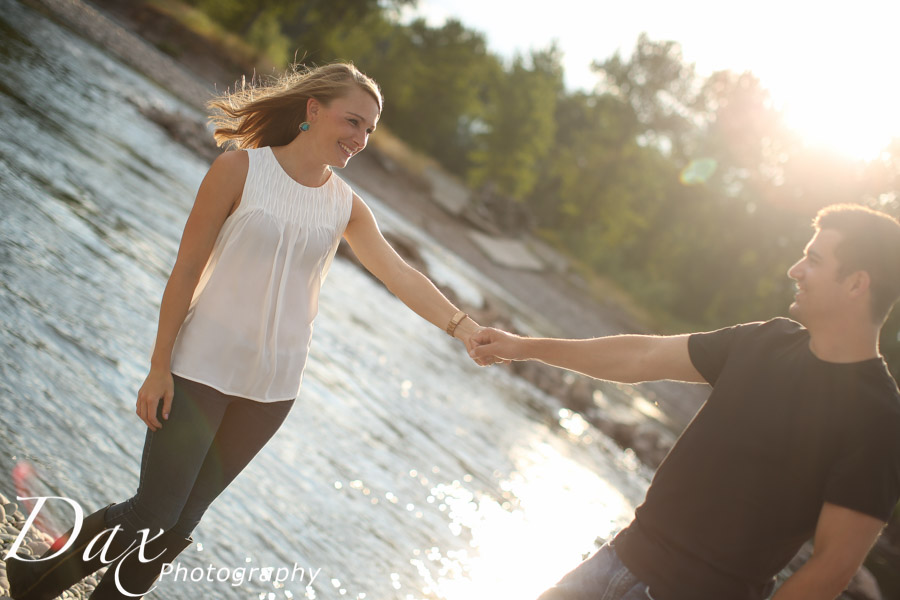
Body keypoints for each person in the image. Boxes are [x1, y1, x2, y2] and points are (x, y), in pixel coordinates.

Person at [6, 62, 489, 600]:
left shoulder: (345, 206)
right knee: (152, 516)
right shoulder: (239, 171)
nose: (359, 139)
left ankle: (33, 581)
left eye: (369, 130)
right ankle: (37, 582)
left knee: (177, 530)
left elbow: (400, 274)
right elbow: (186, 269)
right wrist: (158, 365)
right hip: (199, 370)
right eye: (352, 121)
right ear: (313, 109)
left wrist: (463, 327)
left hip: (271, 391)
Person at [469, 204, 900, 600]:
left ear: (856, 284)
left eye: (815, 260)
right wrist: (523, 346)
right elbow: (641, 356)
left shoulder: (879, 419)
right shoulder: (765, 341)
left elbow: (833, 566)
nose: (795, 269)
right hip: (611, 565)